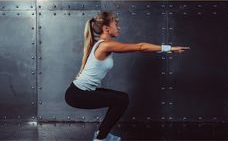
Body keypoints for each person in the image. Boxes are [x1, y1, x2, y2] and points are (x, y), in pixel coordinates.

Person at [64, 11, 190, 141]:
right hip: (77, 95)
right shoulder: (106, 45)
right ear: (106, 28)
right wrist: (169, 48)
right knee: (121, 99)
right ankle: (100, 138)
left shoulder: (103, 44)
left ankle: (102, 134)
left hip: (79, 92)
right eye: (116, 24)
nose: (119, 27)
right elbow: (140, 46)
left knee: (120, 98)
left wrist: (167, 50)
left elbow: (141, 49)